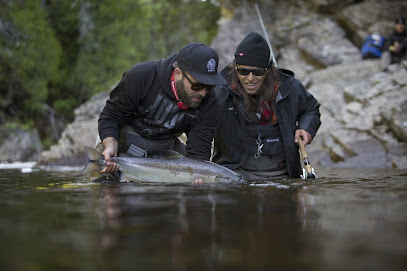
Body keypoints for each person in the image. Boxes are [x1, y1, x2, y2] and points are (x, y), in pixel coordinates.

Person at [97, 43, 226, 176]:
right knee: (107, 184)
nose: (203, 93)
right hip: (121, 140)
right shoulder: (141, 76)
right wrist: (110, 145)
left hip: (164, 149)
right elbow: (111, 116)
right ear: (178, 74)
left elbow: (198, 153)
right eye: (197, 86)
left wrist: (197, 181)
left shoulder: (210, 102)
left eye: (209, 86)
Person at [212, 32, 321, 180]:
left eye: (257, 72)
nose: (250, 79)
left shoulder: (289, 88)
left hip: (284, 176)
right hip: (234, 176)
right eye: (243, 71)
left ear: (268, 70)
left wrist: (306, 127)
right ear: (235, 67)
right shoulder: (220, 89)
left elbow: (311, 109)